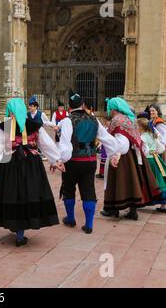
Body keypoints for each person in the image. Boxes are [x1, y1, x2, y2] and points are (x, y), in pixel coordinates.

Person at [0, 98, 64, 247]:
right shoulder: (35, 126)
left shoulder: (4, 126)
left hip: (10, 165)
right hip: (32, 165)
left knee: (14, 195)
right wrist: (56, 160)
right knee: (28, 194)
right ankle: (20, 233)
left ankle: (17, 229)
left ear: (11, 111)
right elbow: (46, 144)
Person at [59, 94, 119, 234]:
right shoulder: (94, 120)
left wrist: (62, 159)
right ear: (83, 105)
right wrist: (114, 152)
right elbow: (107, 139)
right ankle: (89, 224)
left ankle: (71, 218)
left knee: (69, 189)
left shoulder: (68, 121)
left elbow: (65, 144)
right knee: (88, 190)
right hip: (90, 161)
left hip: (72, 162)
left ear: (69, 108)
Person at [101, 98, 160, 221]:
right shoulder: (130, 120)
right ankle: (133, 211)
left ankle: (113, 209)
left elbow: (120, 140)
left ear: (113, 109)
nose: (109, 111)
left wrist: (116, 155)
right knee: (133, 181)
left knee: (117, 181)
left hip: (121, 154)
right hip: (133, 155)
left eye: (110, 108)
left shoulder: (116, 120)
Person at [137, 118, 166, 213]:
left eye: (137, 126)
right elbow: (161, 148)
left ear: (141, 127)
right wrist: (155, 152)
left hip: (148, 161)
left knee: (147, 180)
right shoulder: (153, 135)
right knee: (161, 180)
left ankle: (142, 201)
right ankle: (163, 206)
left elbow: (144, 151)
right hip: (156, 159)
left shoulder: (142, 137)